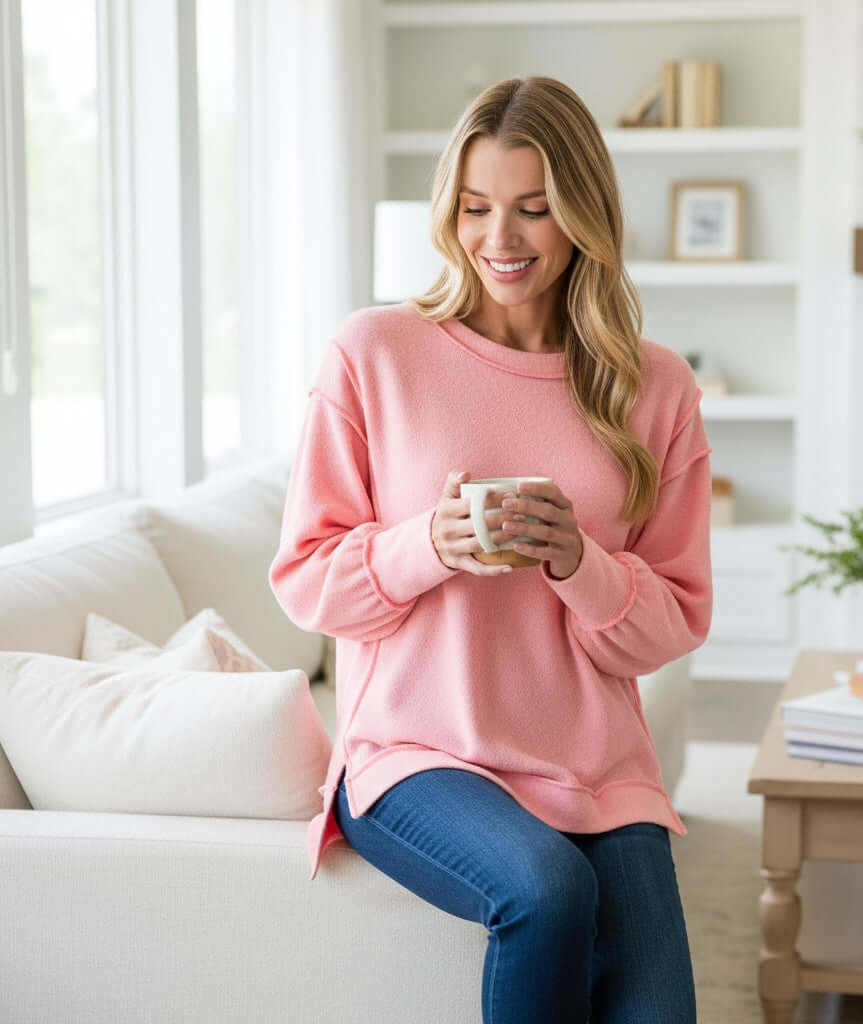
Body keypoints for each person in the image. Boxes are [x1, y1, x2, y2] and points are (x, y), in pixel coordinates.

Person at [268, 76, 712, 1024]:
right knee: (547, 889)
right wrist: (426, 545)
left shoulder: (657, 386)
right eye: (475, 207)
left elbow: (675, 618)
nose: (499, 237)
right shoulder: (374, 354)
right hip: (414, 755)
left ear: (584, 212)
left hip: (598, 766)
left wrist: (579, 564)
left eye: (534, 208)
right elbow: (306, 579)